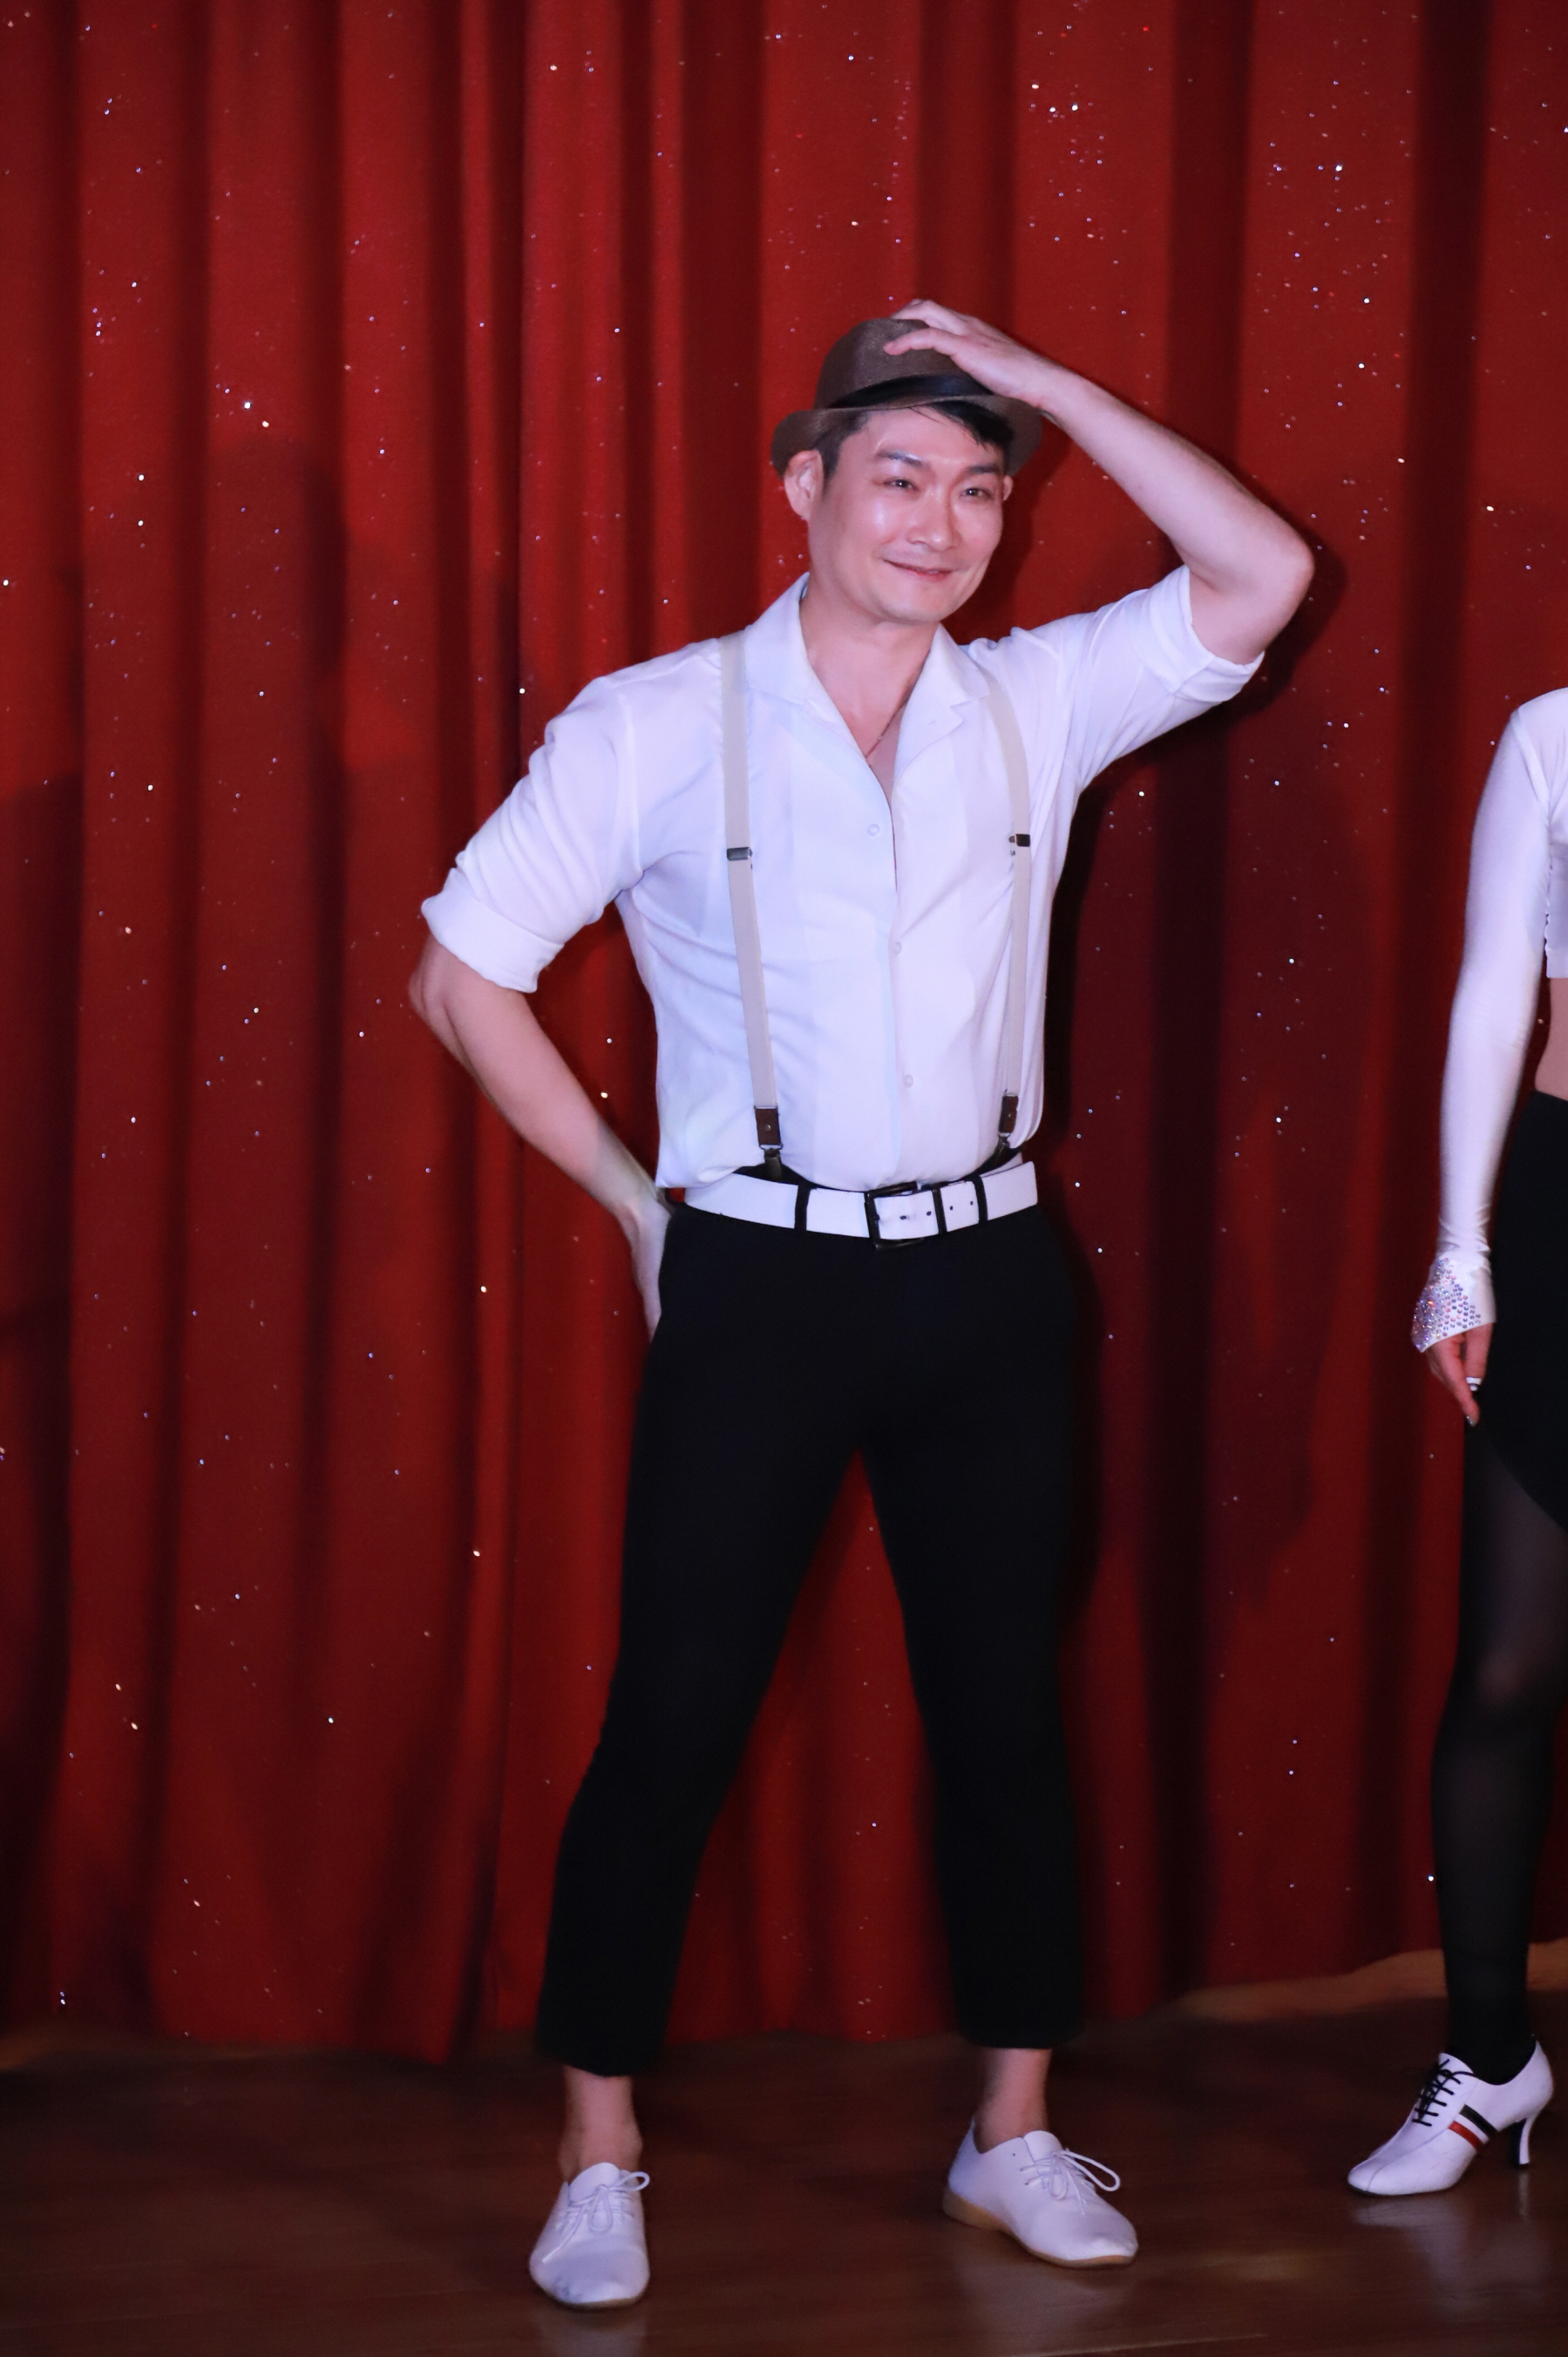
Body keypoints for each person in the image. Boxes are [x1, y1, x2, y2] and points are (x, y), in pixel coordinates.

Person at [411, 302, 1312, 2306]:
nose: (942, 521)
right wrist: (638, 1209)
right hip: (763, 1274)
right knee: (674, 1714)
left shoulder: (1039, 697)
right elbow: (462, 972)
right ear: (805, 484)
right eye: (900, 475)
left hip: (991, 1275)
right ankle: (598, 2148)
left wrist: (1055, 390)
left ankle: (1012, 2128)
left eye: (981, 488)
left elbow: (1262, 574)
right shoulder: (655, 721)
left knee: (1003, 1715)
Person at [1350, 693, 1568, 2196]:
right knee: (1507, 1665)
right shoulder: (1552, 733)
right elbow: (1496, 993)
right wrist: (1461, 1249)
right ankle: (1490, 2057)